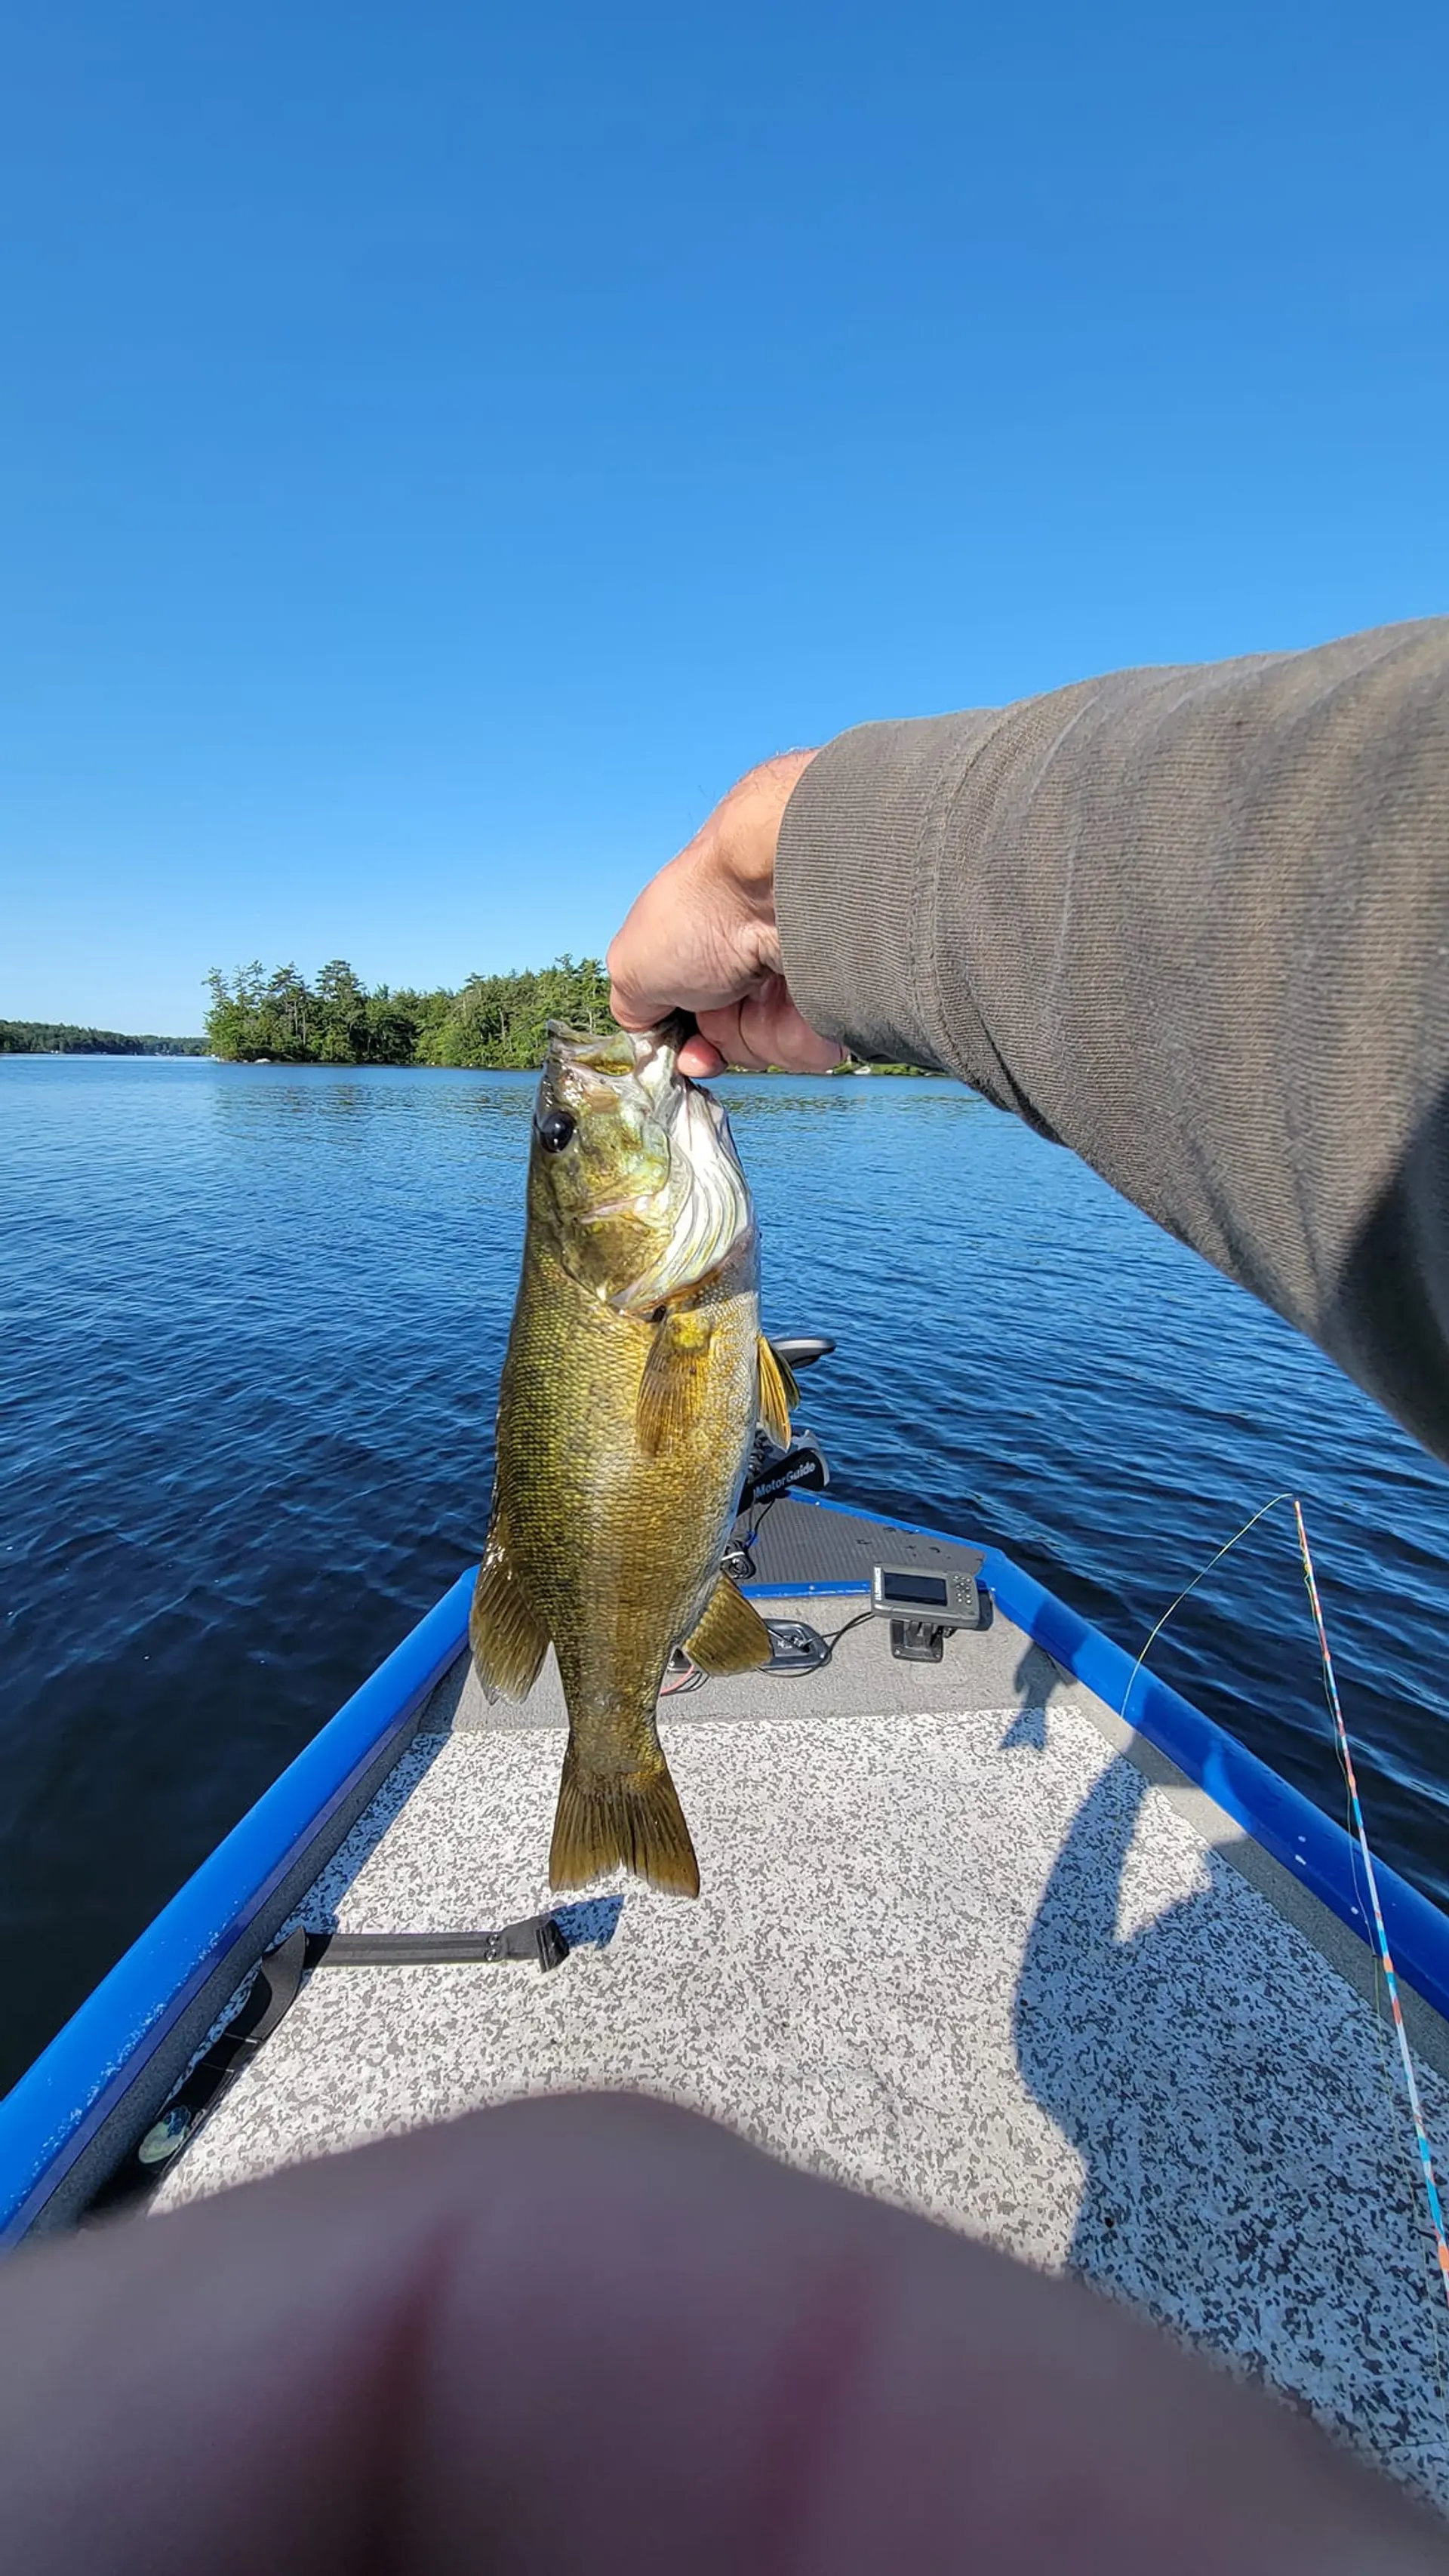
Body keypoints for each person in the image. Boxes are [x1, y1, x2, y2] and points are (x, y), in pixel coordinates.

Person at [4, 620, 1447, 2571]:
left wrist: (803, 873)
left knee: (622, 1550)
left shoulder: (665, 1242)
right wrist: (789, 874)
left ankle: (617, 1744)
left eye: (571, 1114)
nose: (589, 1096)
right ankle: (622, 1748)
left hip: (654, 1420)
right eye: (566, 1132)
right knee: (619, 1573)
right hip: (644, 1453)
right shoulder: (660, 1260)